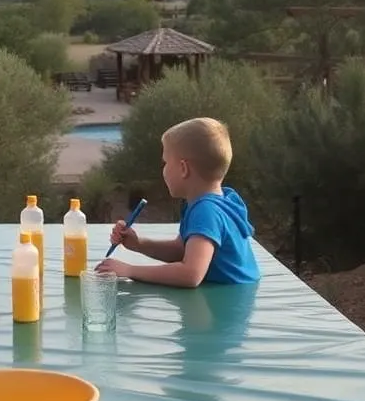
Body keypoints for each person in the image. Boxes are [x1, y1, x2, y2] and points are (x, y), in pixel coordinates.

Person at [96, 117, 260, 287]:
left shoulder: (206, 211)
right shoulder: (218, 201)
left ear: (183, 168)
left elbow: (190, 274)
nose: (163, 169)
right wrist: (139, 244)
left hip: (231, 303)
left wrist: (129, 270)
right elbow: (181, 250)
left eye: (165, 162)